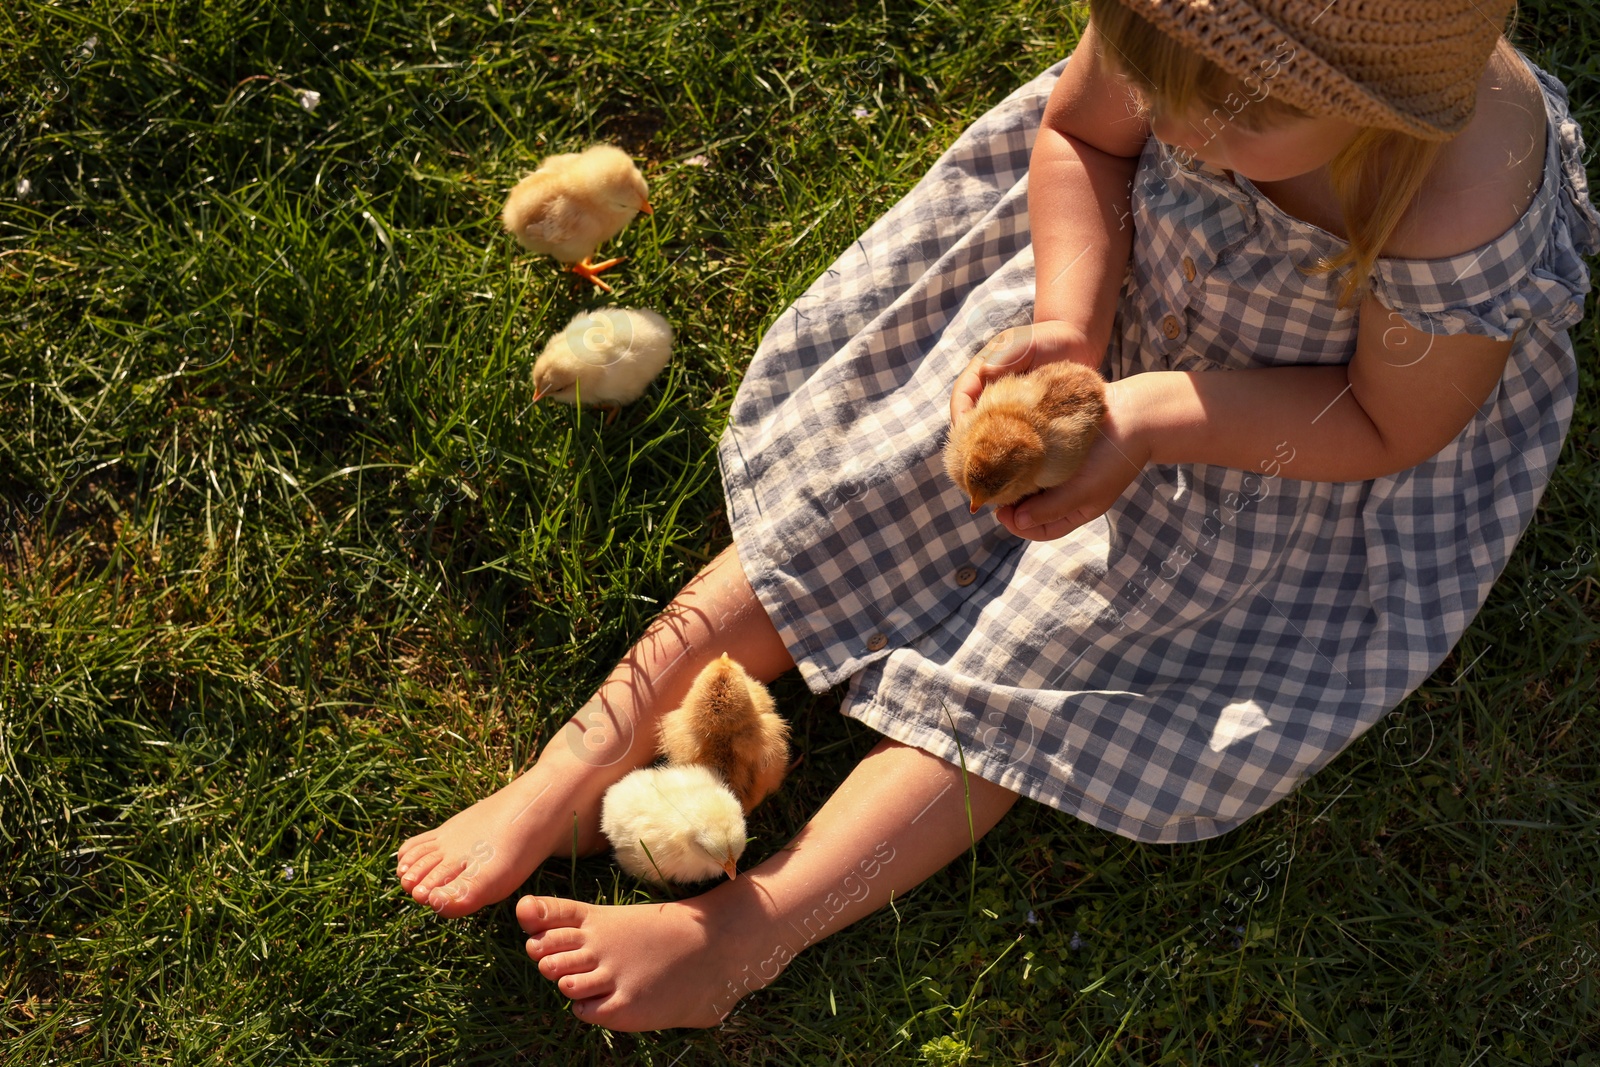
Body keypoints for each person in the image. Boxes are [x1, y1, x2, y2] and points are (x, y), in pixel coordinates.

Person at [395, 0, 1600, 1031]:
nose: (1181, 124)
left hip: (1273, 432)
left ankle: (756, 926)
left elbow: (1385, 424)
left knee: (1060, 658)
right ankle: (571, 767)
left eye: (1234, 117)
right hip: (1119, 297)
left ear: (1393, 103)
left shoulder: (1460, 193)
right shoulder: (1189, 46)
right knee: (844, 506)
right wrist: (1073, 323)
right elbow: (1083, 136)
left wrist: (1148, 421)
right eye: (1157, 78)